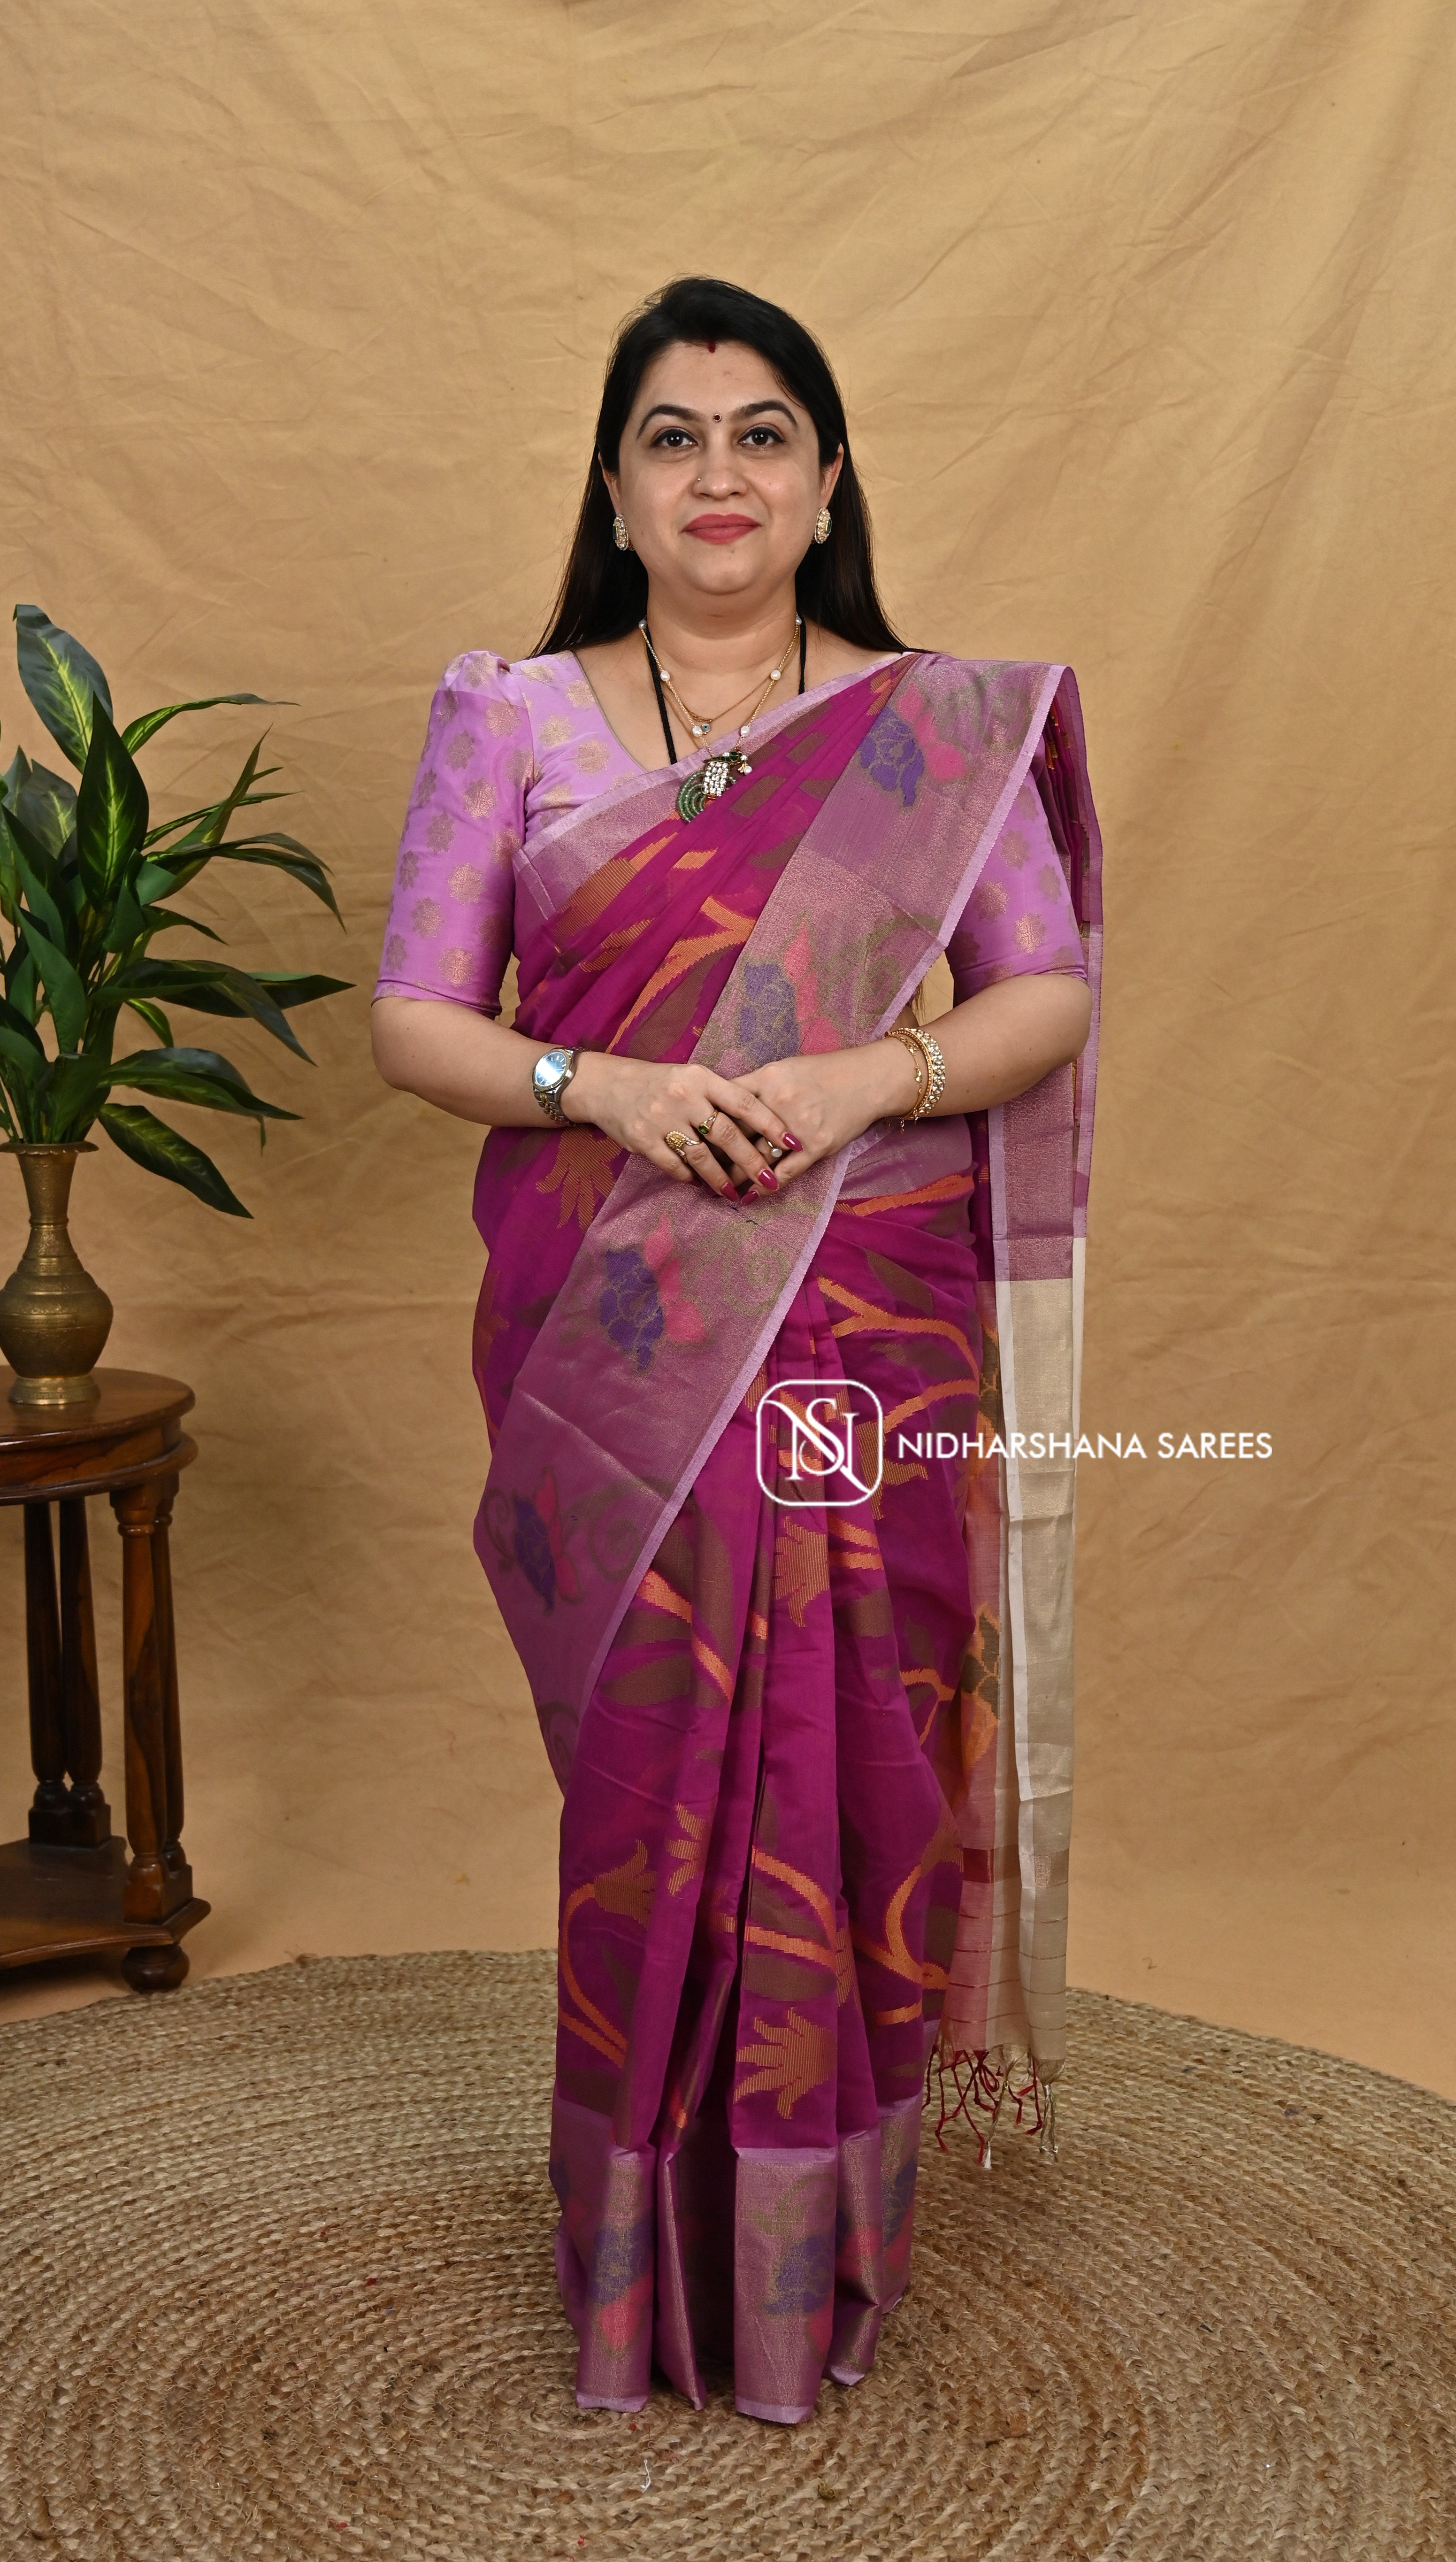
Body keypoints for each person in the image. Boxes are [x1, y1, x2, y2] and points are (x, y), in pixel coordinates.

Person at [372, 275, 1102, 2425]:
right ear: (612, 489)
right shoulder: (511, 713)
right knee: (654, 1767)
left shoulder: (930, 730)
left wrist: (872, 1076)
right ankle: (645, 2264)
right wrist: (598, 1089)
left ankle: (813, 2254)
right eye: (671, 436)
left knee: (847, 1749)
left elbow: (1041, 993)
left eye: (760, 432)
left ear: (825, 481)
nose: (717, 472)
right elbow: (416, 1017)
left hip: (861, 1326)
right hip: (614, 1322)